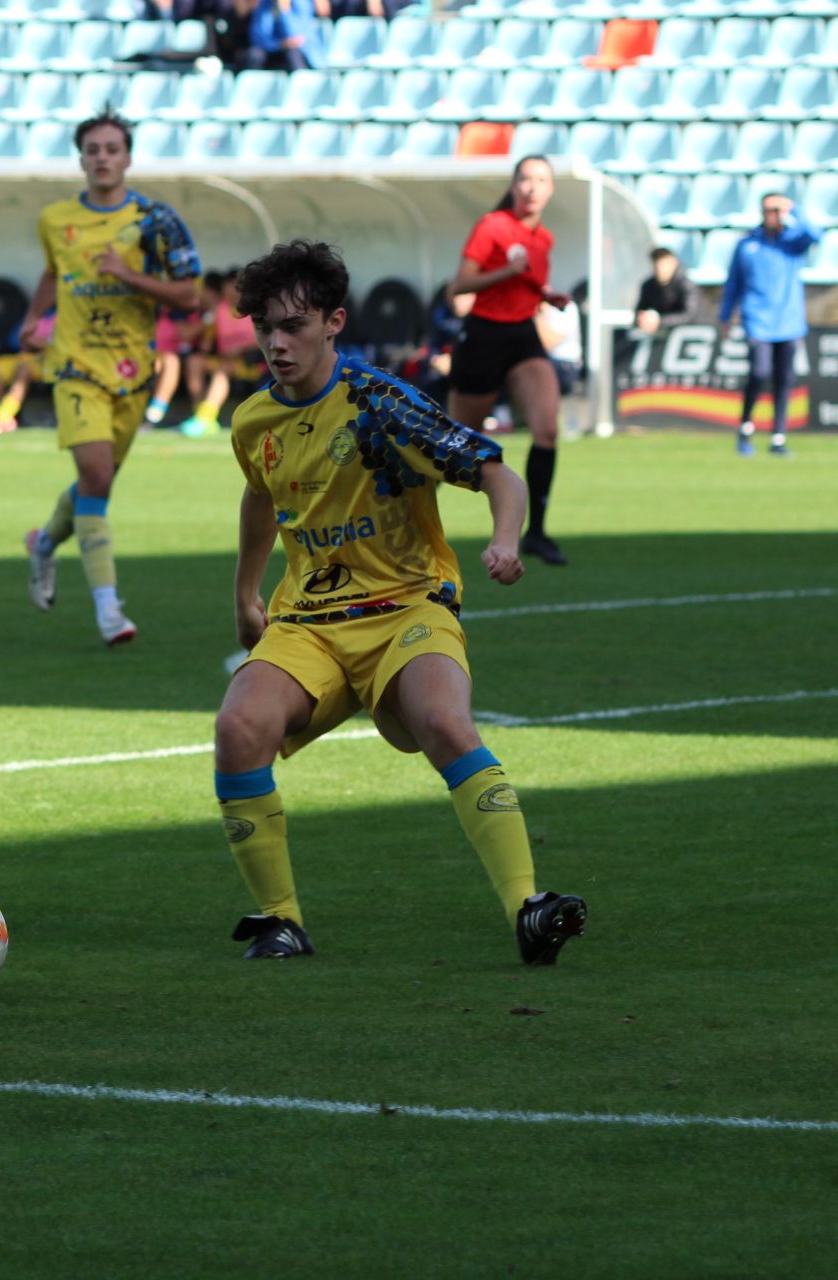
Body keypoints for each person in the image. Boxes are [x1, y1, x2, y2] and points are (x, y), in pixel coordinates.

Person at [211, 238, 586, 967]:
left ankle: (528, 909)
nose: (276, 343)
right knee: (237, 727)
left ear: (335, 323)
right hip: (309, 621)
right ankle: (280, 921)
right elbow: (261, 497)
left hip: (407, 607)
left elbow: (497, 473)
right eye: (265, 327)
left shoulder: (382, 407)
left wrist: (507, 539)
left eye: (293, 326)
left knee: (446, 722)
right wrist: (246, 593)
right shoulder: (253, 420)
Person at [21, 110, 203, 645]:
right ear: (81, 158)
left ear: (127, 157)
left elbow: (190, 296)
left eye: (111, 148)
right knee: (97, 480)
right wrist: (34, 318)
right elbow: (54, 273)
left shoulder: (155, 220)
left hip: (133, 370)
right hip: (75, 365)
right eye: (93, 149)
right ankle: (109, 610)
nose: (102, 157)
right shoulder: (55, 218)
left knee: (94, 484)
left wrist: (128, 275)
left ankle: (44, 543)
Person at [444, 154, 575, 567]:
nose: (532, 187)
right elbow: (460, 286)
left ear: (551, 189)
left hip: (522, 336)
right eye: (525, 179)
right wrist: (506, 272)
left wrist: (545, 295)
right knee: (450, 446)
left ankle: (535, 533)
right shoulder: (493, 226)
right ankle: (401, 523)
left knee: (547, 430)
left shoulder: (544, 239)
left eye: (541, 180)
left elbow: (527, 283)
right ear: (514, 185)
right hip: (483, 335)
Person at [720, 193, 818, 458]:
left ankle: (778, 436)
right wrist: (725, 316)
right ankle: (745, 427)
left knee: (784, 380)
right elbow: (733, 284)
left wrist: (795, 209)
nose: (772, 214)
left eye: (777, 209)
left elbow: (816, 235)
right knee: (760, 372)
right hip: (758, 320)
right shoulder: (748, 245)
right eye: (768, 209)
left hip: (788, 321)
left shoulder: (791, 243)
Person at [185, 270, 267, 436]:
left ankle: (206, 416)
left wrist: (242, 348)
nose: (230, 292)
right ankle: (201, 413)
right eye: (227, 288)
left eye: (235, 288)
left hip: (251, 364)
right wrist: (206, 340)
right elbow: (204, 341)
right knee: (194, 361)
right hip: (223, 360)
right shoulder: (219, 310)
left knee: (222, 371)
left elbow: (265, 339)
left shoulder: (256, 310)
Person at [0, 306, 55, 436]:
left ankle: (1, 417)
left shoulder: (65, 314)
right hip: (25, 355)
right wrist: (26, 340)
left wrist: (40, 343)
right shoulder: (34, 314)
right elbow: (15, 339)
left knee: (24, 369)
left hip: (50, 360)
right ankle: (4, 416)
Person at [246, 0, 325, 72]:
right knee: (254, 55)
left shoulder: (301, 3)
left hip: (305, 51)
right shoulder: (265, 4)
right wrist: (279, 44)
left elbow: (294, 36)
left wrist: (283, 10)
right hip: (275, 48)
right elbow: (259, 36)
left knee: (293, 54)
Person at [633, 246, 694, 336]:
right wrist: (643, 320)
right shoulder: (648, 286)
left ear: (674, 263)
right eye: (657, 265)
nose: (660, 269)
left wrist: (659, 321)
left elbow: (688, 316)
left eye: (663, 265)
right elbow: (640, 311)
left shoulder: (686, 285)